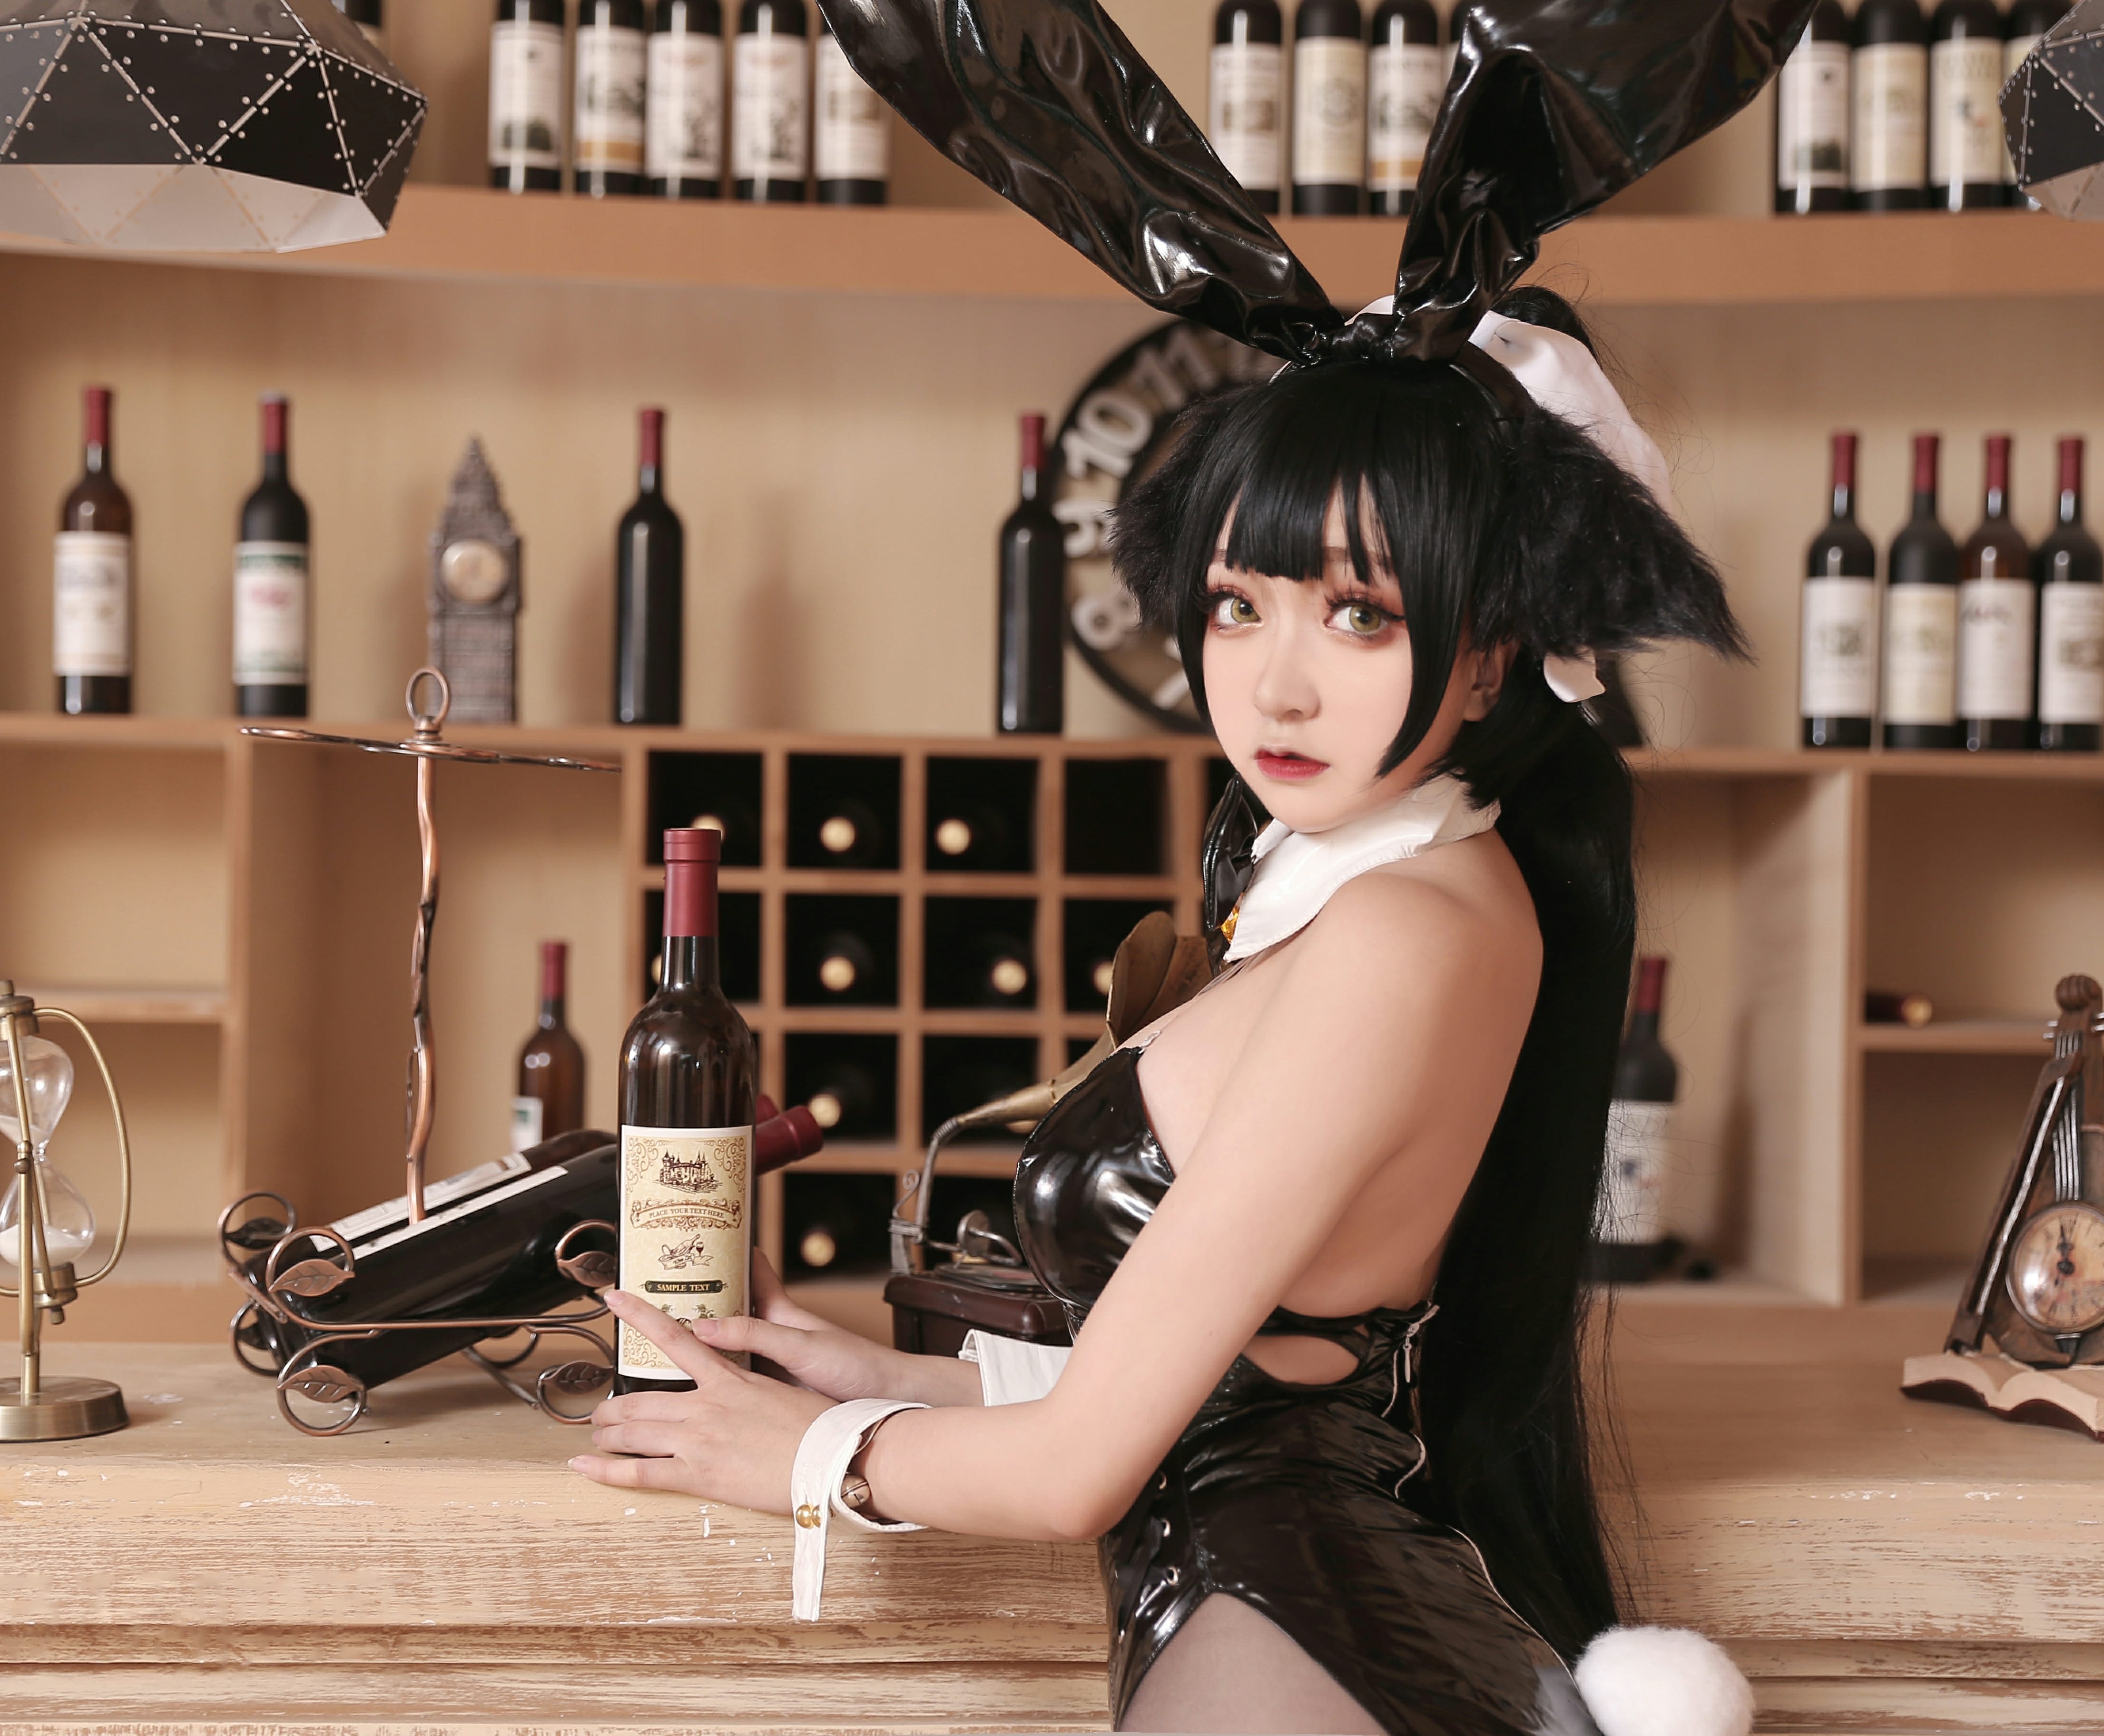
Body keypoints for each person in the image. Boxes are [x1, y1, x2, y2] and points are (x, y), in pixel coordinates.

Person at [573, 3, 1807, 1730]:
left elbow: (1088, 1469)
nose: (1274, 684)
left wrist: (810, 1451)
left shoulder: (1411, 933)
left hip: (1298, 1636)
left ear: (1489, 658)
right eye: (1239, 605)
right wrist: (871, 1372)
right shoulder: (1370, 897)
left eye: (1358, 615)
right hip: (1273, 1611)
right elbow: (1242, 1375)